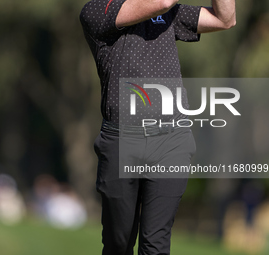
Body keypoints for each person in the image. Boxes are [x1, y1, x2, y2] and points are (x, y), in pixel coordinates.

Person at [79, 0, 236, 254]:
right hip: (122, 140)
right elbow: (160, 2)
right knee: (118, 243)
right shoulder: (97, 10)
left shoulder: (170, 13)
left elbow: (225, 19)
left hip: (171, 139)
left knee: (155, 244)